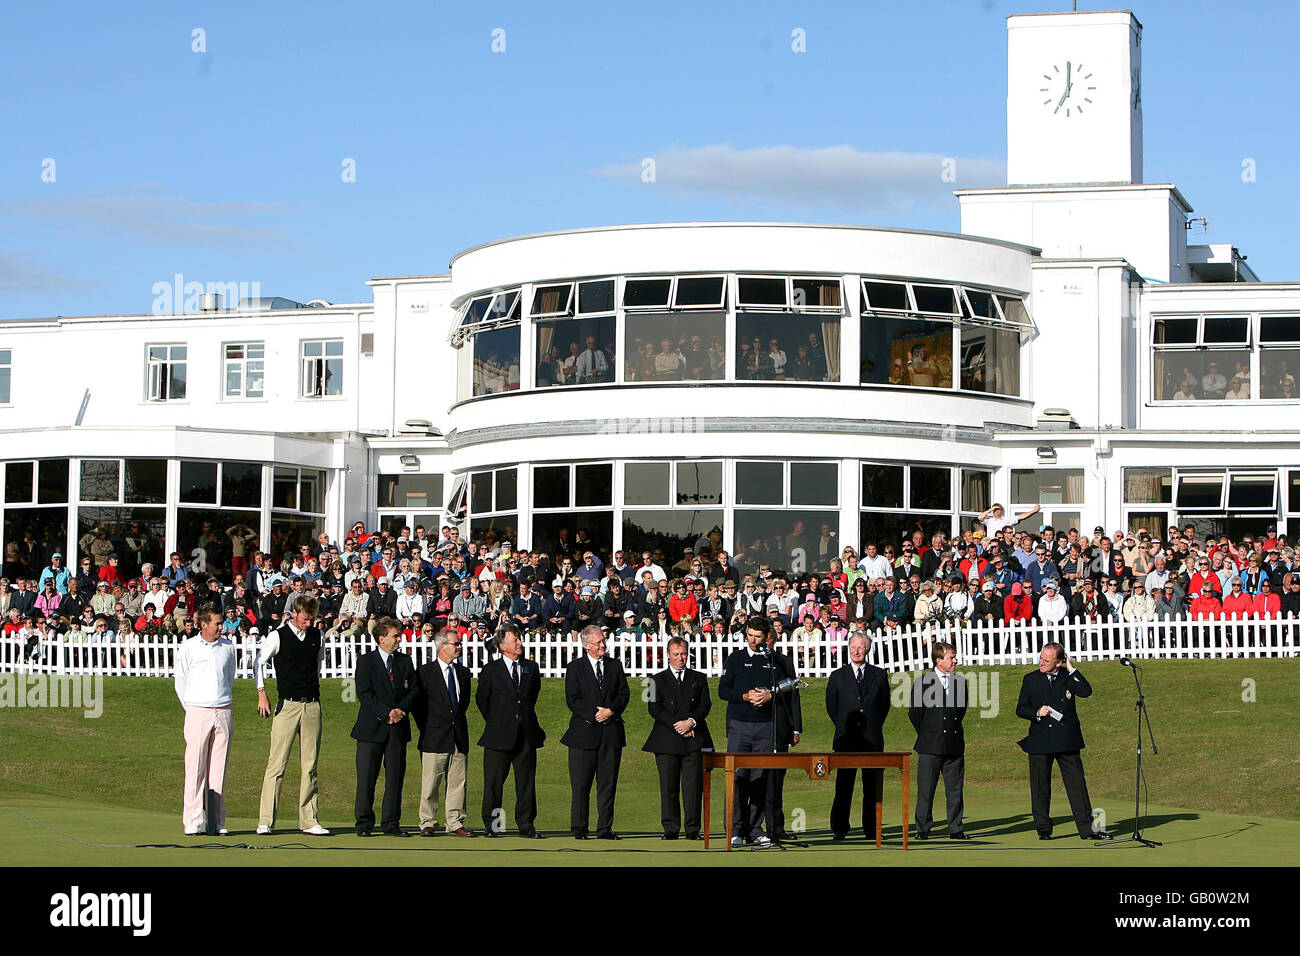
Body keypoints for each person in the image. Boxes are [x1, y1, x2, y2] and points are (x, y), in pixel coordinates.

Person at [1015, 643, 1112, 841]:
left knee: (1077, 785)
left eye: (1047, 660)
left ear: (1059, 662)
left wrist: (1072, 668)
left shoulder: (1068, 678)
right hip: (1040, 739)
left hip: (1066, 739)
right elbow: (1021, 708)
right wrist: (1036, 712)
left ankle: (1087, 830)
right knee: (1040, 786)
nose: (1041, 662)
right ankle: (1043, 829)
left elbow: (1086, 691)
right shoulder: (1031, 679)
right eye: (1041, 658)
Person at [253, 594, 330, 836]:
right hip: (287, 705)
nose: (310, 623)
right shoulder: (278, 636)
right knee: (276, 765)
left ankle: (309, 820)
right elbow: (258, 663)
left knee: (310, 765)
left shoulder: (318, 636)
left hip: (312, 706)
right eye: (306, 619)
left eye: (312, 619)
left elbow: (317, 665)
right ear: (294, 614)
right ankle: (265, 820)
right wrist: (261, 693)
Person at [350, 616, 418, 837]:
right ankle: (363, 824)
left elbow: (414, 690)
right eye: (395, 636)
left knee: (395, 779)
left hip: (397, 729)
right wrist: (386, 712)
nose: (399, 639)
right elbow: (364, 693)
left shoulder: (404, 661)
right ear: (381, 639)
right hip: (371, 729)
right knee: (367, 778)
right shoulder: (366, 661)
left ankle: (391, 823)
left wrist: (401, 711)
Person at [476, 624, 546, 837]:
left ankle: (526, 825)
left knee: (526, 784)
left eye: (519, 639)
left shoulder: (531, 668)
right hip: (498, 735)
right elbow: (483, 701)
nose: (519, 643)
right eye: (515, 640)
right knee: (494, 784)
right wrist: (499, 721)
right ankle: (493, 825)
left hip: (525, 734)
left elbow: (531, 697)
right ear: (502, 645)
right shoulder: (491, 670)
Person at [562, 625, 630, 840]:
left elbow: (623, 694)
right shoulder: (575, 668)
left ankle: (604, 828)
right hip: (583, 734)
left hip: (611, 734)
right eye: (598, 641)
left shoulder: (615, 666)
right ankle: (579, 827)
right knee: (581, 784)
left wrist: (611, 711)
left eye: (603, 640)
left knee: (608, 784)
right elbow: (572, 699)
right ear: (587, 644)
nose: (603, 644)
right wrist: (594, 714)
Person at [173, 604, 236, 835]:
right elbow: (180, 680)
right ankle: (193, 820)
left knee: (218, 769)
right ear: (203, 625)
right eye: (217, 623)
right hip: (197, 710)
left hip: (224, 709)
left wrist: (220, 699)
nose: (222, 627)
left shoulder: (228, 647)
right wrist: (192, 706)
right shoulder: (189, 647)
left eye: (221, 623)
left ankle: (216, 821)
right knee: (196, 767)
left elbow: (230, 675)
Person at [643, 635, 713, 840]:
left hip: (693, 738)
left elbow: (705, 705)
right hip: (666, 739)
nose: (680, 658)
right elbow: (653, 709)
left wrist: (691, 722)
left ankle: (693, 829)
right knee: (668, 786)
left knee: (693, 787)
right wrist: (678, 725)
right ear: (668, 655)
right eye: (676, 654)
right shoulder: (654, 680)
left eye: (683, 654)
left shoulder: (699, 678)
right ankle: (670, 828)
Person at [717, 616, 779, 848]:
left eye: (758, 636)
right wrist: (744, 696)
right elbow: (723, 690)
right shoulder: (735, 658)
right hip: (739, 725)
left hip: (765, 726)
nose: (753, 640)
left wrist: (770, 695)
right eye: (750, 636)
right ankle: (734, 830)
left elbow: (787, 685)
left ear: (766, 638)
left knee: (759, 778)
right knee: (737, 777)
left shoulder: (774, 661)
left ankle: (755, 829)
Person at [825, 632, 890, 841]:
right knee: (844, 786)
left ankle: (872, 829)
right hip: (846, 739)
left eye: (861, 647)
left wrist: (872, 725)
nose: (856, 651)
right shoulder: (838, 676)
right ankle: (840, 828)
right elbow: (832, 707)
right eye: (853, 647)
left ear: (867, 650)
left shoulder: (879, 675)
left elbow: (884, 706)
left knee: (872, 786)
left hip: (872, 739)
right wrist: (845, 726)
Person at [413, 627, 475, 837]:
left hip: (458, 735)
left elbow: (462, 704)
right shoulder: (425, 673)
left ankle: (455, 821)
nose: (459, 647)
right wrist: (429, 728)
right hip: (433, 735)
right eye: (455, 644)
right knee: (431, 782)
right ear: (442, 646)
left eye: (459, 643)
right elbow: (419, 707)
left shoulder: (463, 673)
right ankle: (428, 821)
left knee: (458, 782)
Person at [909, 641, 969, 840]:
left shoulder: (960, 682)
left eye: (954, 656)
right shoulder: (923, 683)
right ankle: (923, 829)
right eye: (951, 657)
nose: (955, 661)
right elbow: (915, 714)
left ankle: (956, 828)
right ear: (939, 660)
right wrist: (929, 733)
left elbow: (960, 712)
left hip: (953, 744)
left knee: (955, 790)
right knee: (926, 790)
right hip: (930, 745)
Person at [763, 623, 802, 842]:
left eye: (769, 639)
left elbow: (793, 696)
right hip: (758, 728)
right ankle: (756, 828)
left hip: (780, 727)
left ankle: (777, 827)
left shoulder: (784, 662)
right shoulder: (753, 662)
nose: (766, 643)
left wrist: (795, 727)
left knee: (777, 780)